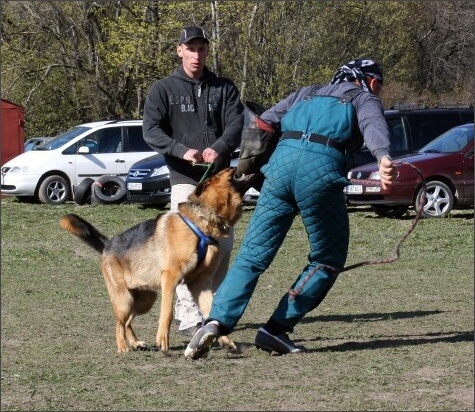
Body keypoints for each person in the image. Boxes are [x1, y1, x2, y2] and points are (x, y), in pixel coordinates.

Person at [184, 58, 398, 359]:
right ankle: (276, 329)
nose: (378, 92)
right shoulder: (362, 97)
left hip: (279, 170)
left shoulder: (306, 92)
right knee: (328, 257)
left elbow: (261, 122)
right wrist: (383, 157)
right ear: (369, 81)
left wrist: (249, 164)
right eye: (379, 86)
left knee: (252, 256)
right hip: (320, 173)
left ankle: (217, 320)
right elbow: (373, 125)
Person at [142, 26, 244, 336]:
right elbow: (151, 130)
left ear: (207, 51)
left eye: (202, 48)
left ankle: (212, 311)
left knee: (222, 247)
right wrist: (181, 150)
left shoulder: (223, 87)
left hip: (220, 183)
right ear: (180, 50)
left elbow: (237, 124)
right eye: (191, 48)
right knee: (186, 251)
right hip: (186, 179)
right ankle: (188, 317)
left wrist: (220, 147)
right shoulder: (163, 89)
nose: (197, 54)